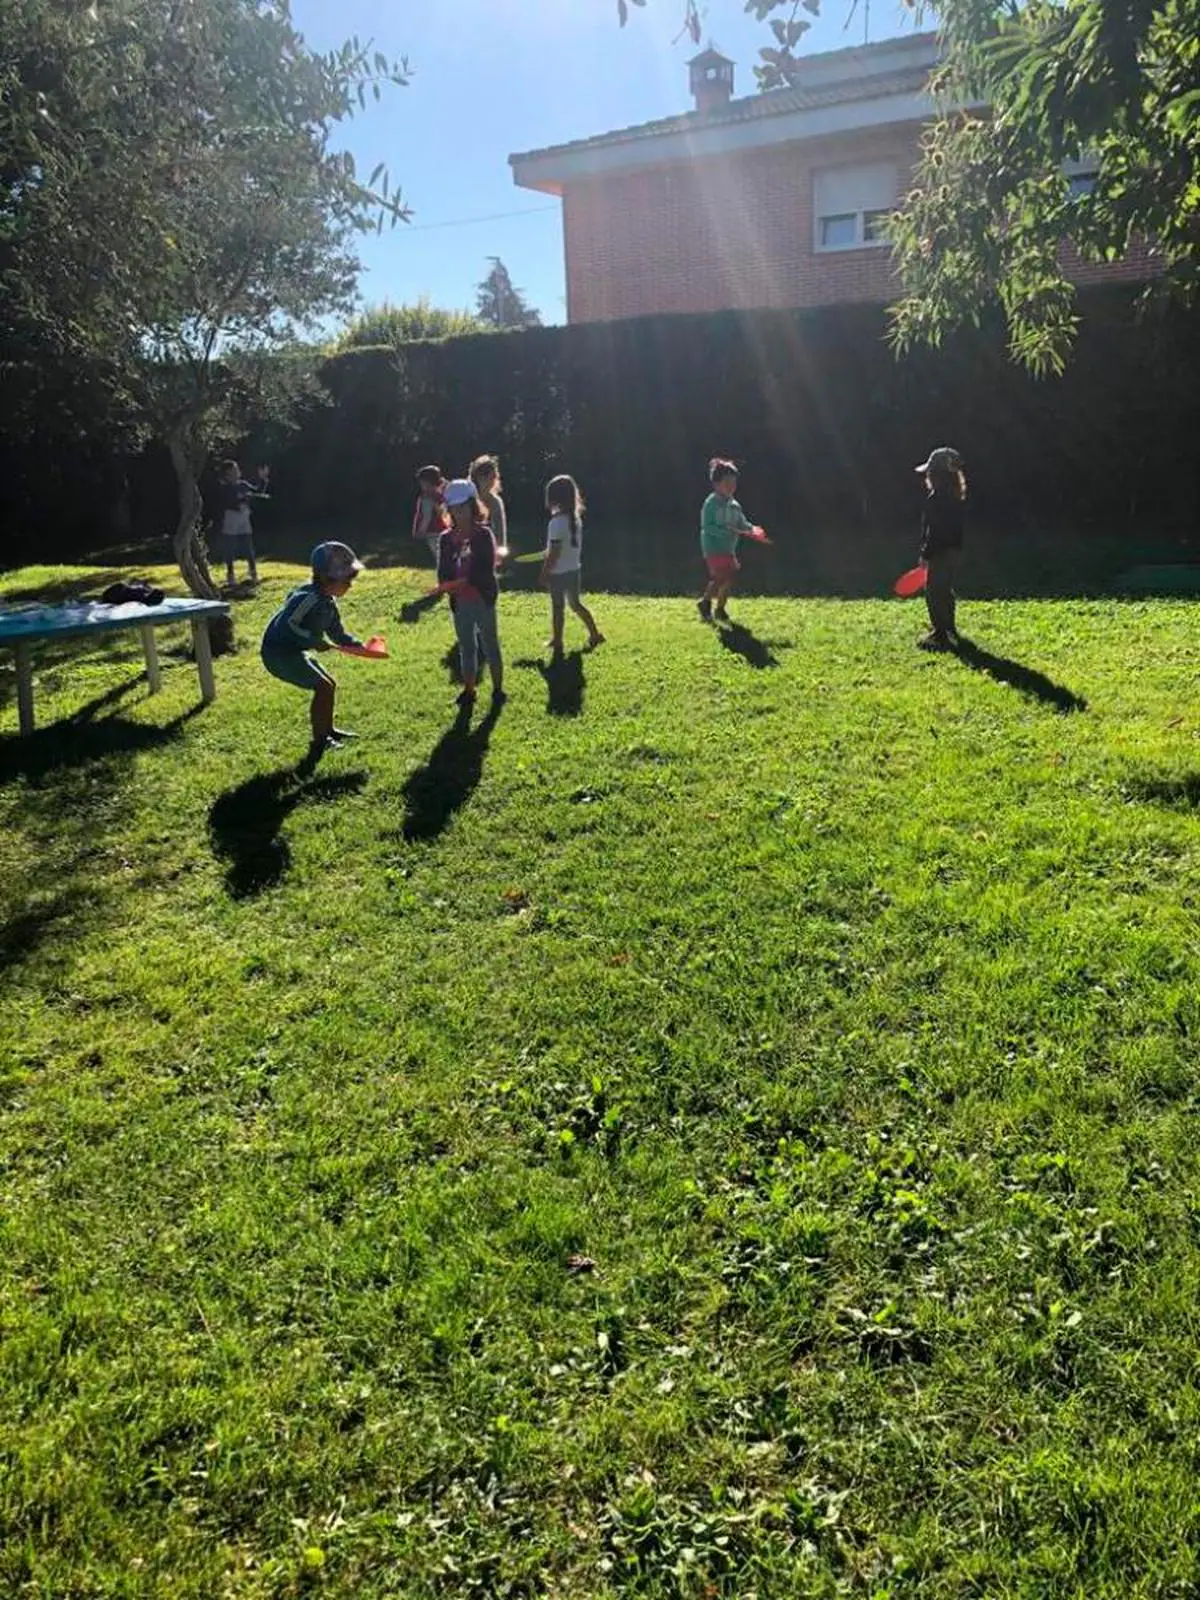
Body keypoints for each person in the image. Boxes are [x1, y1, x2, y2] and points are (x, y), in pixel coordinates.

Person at [261, 540, 365, 760]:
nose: (350, 585)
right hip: (278, 653)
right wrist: (312, 640)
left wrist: (358, 646)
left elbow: (338, 634)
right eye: (347, 580)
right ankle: (320, 739)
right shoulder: (307, 598)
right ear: (329, 577)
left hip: (294, 651)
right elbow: (286, 626)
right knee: (323, 687)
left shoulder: (328, 603)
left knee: (329, 685)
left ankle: (328, 730)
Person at [438, 479, 505, 709]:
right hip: (461, 602)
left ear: (473, 506)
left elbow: (486, 567)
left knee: (490, 644)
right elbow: (443, 568)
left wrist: (465, 580)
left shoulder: (483, 535)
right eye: (454, 509)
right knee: (466, 646)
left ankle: (498, 689)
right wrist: (446, 584)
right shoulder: (446, 539)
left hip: (482, 599)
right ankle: (469, 689)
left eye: (463, 507)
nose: (459, 513)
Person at [540, 473, 604, 655]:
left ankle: (557, 640)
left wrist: (545, 572)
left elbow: (554, 554)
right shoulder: (575, 519)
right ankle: (594, 633)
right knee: (576, 604)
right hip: (574, 570)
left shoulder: (556, 523)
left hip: (558, 573)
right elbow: (561, 547)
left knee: (558, 607)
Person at [916, 446, 967, 650]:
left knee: (934, 592)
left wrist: (926, 554)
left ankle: (940, 634)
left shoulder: (935, 499)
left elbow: (934, 530)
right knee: (946, 590)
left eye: (930, 472)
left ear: (937, 475)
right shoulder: (956, 497)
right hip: (954, 551)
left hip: (940, 551)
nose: (927, 476)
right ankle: (949, 628)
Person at [699, 458, 754, 623]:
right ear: (716, 484)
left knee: (729, 578)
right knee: (721, 576)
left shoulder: (735, 505)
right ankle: (706, 602)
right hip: (713, 548)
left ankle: (719, 608)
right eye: (727, 482)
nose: (731, 486)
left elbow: (741, 522)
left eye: (734, 483)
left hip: (728, 549)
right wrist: (725, 532)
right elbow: (707, 526)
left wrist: (752, 530)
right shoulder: (711, 504)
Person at [217, 460, 269, 587]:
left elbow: (258, 491)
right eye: (234, 469)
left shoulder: (243, 484)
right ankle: (230, 576)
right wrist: (241, 500)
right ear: (228, 473)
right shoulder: (224, 487)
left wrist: (263, 479)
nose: (238, 471)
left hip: (244, 517)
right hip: (231, 518)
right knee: (230, 547)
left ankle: (253, 574)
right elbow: (226, 502)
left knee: (248, 546)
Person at [469, 454, 508, 555]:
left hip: (489, 547)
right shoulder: (469, 497)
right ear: (477, 477)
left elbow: (500, 529)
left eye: (493, 477)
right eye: (486, 477)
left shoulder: (496, 501)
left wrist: (501, 549)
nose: (491, 481)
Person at [412, 465, 449, 561]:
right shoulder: (442, 495)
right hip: (444, 529)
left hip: (432, 531)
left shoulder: (427, 497)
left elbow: (426, 516)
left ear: (427, 482)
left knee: (439, 556)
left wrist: (421, 531)